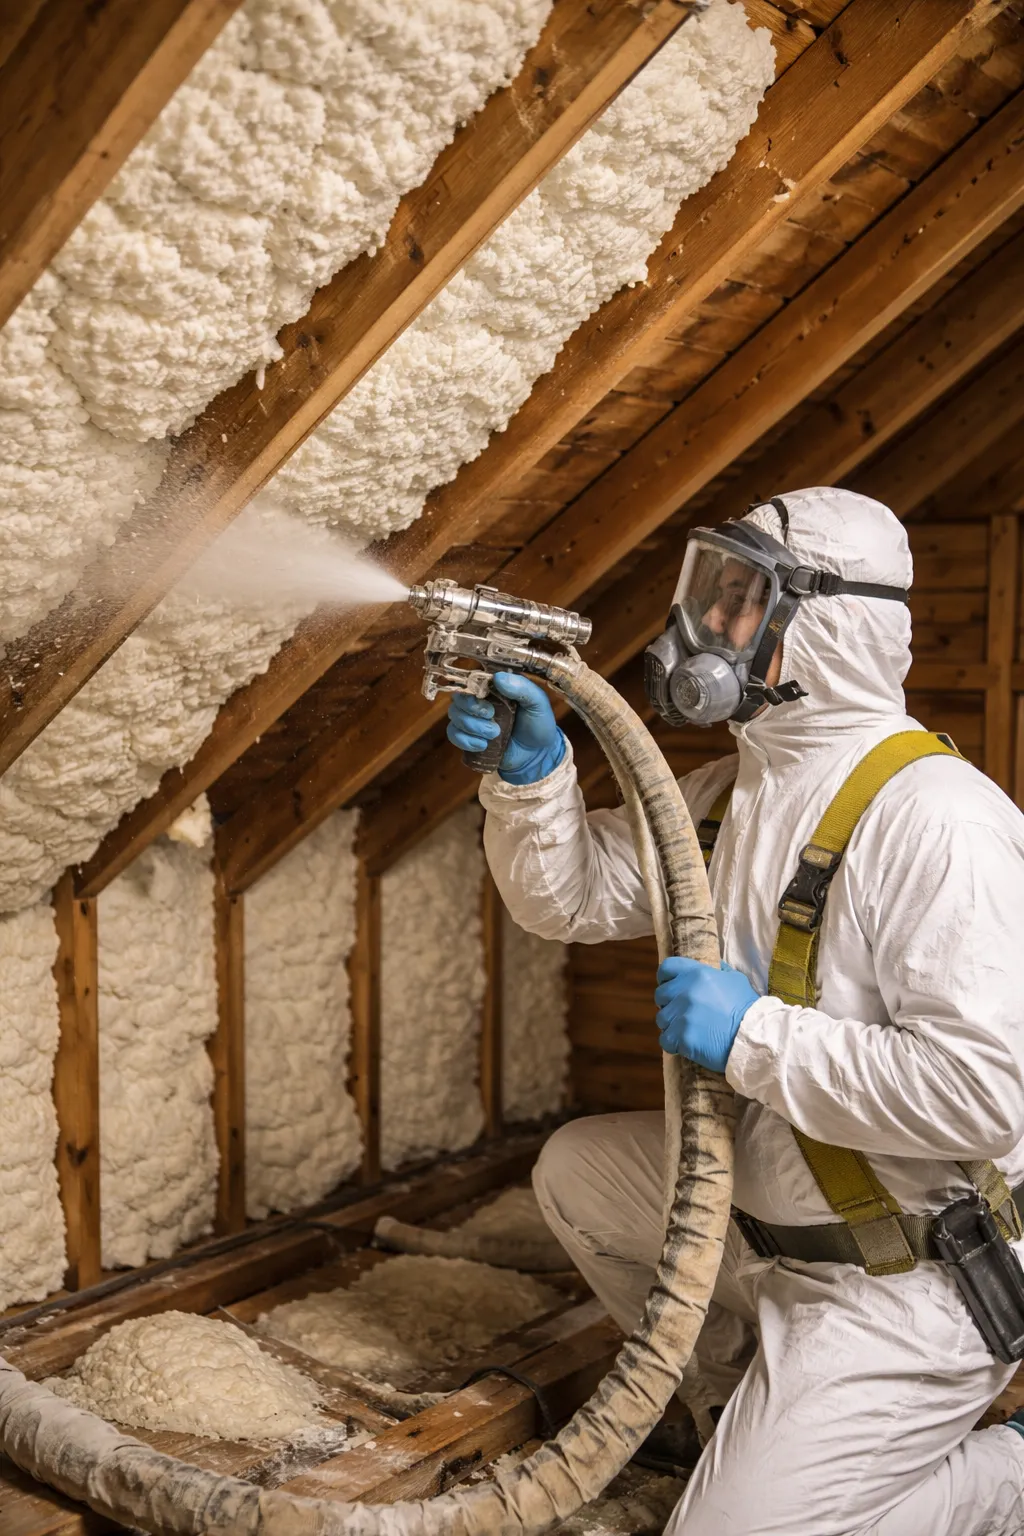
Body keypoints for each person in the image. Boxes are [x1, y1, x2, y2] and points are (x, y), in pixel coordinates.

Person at [446, 487, 1024, 1535]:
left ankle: (1003, 1478)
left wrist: (750, 1036)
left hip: (902, 1278)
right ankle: (728, 1404)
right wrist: (531, 776)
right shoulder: (730, 798)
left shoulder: (939, 825)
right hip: (761, 1227)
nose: (706, 627)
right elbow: (569, 898)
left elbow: (983, 1098)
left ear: (828, 620)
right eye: (708, 595)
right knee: (578, 1169)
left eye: (739, 601)